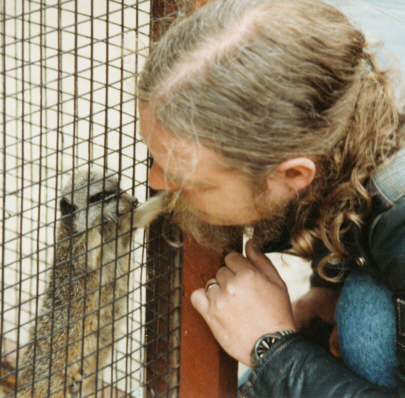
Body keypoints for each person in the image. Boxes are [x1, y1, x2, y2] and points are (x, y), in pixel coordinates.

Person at [137, 0, 405, 396]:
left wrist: (273, 347)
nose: (154, 182)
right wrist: (328, 281)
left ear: (292, 174)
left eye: (189, 178)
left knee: (366, 315)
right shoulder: (325, 66)